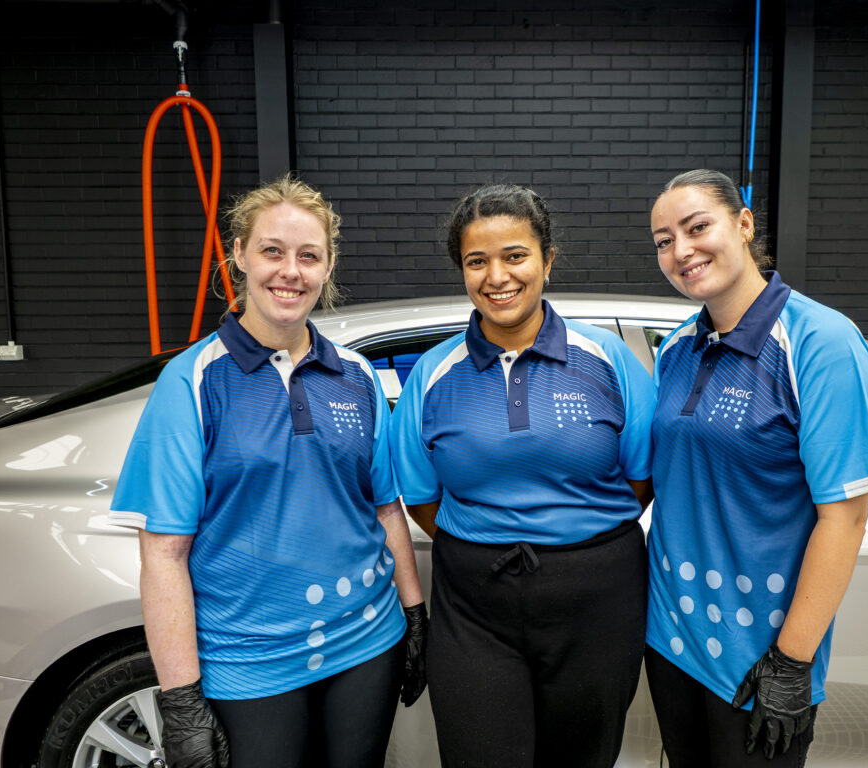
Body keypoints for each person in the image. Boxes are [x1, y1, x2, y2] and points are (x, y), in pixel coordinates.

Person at [109, 175, 426, 768]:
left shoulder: (355, 375)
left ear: (327, 267)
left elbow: (384, 507)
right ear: (239, 255)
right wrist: (180, 699)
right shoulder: (194, 379)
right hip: (247, 661)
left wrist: (413, 615)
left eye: (309, 256)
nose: (291, 271)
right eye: (272, 251)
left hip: (366, 642)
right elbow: (164, 553)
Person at [390, 183, 656, 768]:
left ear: (547, 259)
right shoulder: (434, 375)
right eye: (476, 261)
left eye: (515, 255)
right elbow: (421, 498)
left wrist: (571, 543)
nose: (497, 276)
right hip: (474, 605)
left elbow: (641, 479)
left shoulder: (607, 359)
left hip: (598, 601)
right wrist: (493, 539)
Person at [644, 169, 868, 766]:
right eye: (663, 240)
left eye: (697, 227)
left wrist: (792, 661)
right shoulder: (679, 346)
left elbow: (847, 516)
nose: (682, 251)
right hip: (671, 640)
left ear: (745, 224)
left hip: (760, 655)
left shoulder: (821, 341)